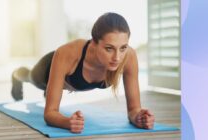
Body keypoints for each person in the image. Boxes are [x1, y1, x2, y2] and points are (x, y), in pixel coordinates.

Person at [11, 12, 155, 133]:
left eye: (123, 48)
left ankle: (51, 92)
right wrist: (66, 122)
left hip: (66, 82)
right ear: (94, 42)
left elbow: (134, 109)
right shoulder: (67, 53)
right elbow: (50, 113)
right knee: (29, 77)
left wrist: (139, 117)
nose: (117, 58)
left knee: (50, 92)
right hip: (48, 69)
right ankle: (16, 75)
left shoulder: (129, 57)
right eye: (109, 48)